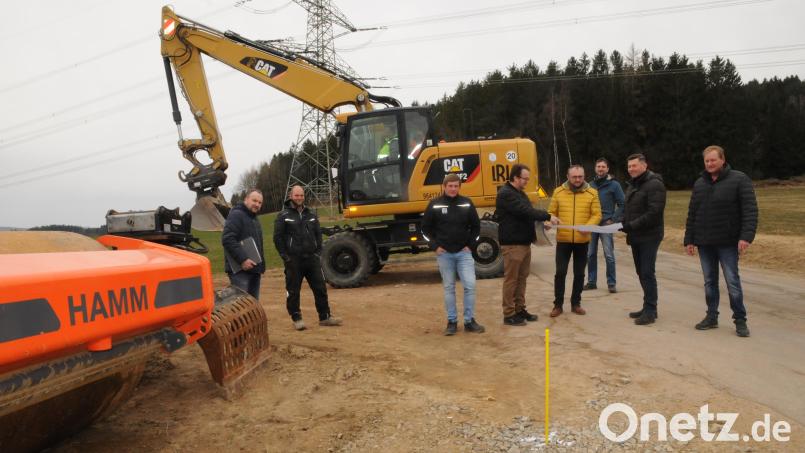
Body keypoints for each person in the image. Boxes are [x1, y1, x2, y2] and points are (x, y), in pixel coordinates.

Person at [684, 145, 758, 338]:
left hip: (728, 242)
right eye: (706, 161)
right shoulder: (700, 183)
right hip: (704, 242)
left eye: (713, 160)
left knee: (732, 281)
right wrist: (689, 239)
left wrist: (745, 237)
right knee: (709, 282)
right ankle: (711, 316)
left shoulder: (739, 179)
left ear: (722, 160)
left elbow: (750, 211)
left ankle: (740, 320)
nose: (709, 164)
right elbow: (692, 213)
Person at [495, 163, 560, 326]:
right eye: (525, 179)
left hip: (524, 243)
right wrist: (547, 215)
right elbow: (524, 211)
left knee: (522, 278)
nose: (526, 182)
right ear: (515, 177)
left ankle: (519, 309)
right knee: (511, 280)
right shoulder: (506, 194)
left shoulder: (520, 193)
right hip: (512, 244)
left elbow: (526, 216)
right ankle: (508, 314)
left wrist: (540, 224)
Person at [422, 174, 485, 336]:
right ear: (444, 186)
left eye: (456, 186)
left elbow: (476, 228)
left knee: (470, 286)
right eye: (450, 186)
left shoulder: (466, 203)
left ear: (459, 187)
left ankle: (469, 321)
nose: (453, 189)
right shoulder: (434, 205)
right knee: (449, 288)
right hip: (445, 255)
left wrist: (470, 245)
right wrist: (434, 246)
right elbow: (425, 230)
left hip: (464, 254)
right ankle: (452, 322)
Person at [273, 186, 342, 331]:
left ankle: (325, 317)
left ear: (304, 197)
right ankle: (297, 318)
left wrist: (318, 252)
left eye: (301, 195)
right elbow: (277, 238)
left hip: (311, 258)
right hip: (293, 260)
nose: (299, 198)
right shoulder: (283, 215)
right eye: (296, 195)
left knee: (320, 288)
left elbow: (318, 234)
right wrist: (285, 256)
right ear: (291, 196)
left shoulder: (310, 213)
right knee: (293, 291)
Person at [546, 165, 601, 317]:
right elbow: (551, 212)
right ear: (568, 176)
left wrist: (588, 226)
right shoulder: (558, 192)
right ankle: (558, 305)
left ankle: (576, 303)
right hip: (563, 240)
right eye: (574, 177)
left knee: (579, 273)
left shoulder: (592, 193)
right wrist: (550, 220)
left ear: (584, 176)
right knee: (560, 272)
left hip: (582, 241)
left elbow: (597, 214)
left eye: (580, 177)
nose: (577, 179)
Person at [621, 154, 666, 326]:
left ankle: (650, 310)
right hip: (636, 235)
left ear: (644, 165)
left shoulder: (654, 184)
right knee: (641, 272)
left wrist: (631, 225)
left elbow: (654, 213)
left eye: (634, 165)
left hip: (650, 235)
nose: (631, 169)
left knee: (647, 272)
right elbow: (629, 208)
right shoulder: (633, 185)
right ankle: (647, 306)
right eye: (629, 166)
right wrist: (622, 221)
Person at [584, 158, 625, 293]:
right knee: (590, 254)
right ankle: (591, 282)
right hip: (592, 224)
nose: (600, 169)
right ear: (595, 168)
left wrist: (614, 219)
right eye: (598, 167)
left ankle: (611, 283)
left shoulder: (614, 185)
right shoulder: (590, 185)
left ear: (607, 169)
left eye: (603, 167)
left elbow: (623, 204)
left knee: (609, 255)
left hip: (606, 223)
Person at [222, 189, 266, 299]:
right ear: (246, 199)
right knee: (240, 307)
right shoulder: (236, 215)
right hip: (240, 272)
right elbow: (227, 239)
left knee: (253, 307)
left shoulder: (254, 219)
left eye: (260, 202)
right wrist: (243, 260)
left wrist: (261, 266)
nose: (257, 204)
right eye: (254, 200)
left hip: (254, 270)